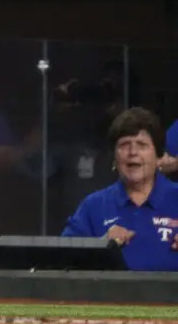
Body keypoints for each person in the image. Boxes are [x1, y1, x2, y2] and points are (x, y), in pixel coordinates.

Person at [61, 107, 178, 271]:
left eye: (142, 145)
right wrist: (100, 246)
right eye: (124, 145)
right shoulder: (94, 206)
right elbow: (63, 262)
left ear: (159, 157)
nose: (132, 152)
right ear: (115, 159)